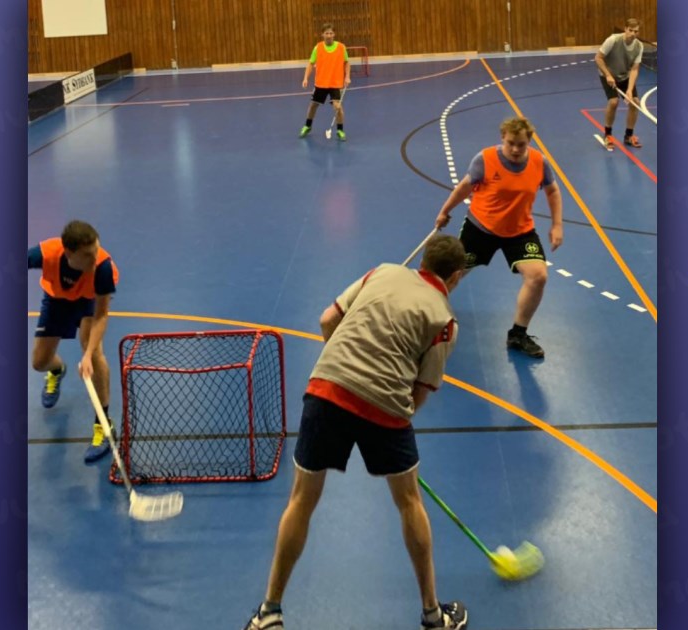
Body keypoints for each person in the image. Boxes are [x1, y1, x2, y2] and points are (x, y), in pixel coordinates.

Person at [242, 235, 470, 630]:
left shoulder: (381, 272)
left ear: (424, 261)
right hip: (386, 406)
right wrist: (388, 427)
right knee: (409, 502)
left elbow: (327, 321)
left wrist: (347, 369)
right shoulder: (445, 321)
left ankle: (269, 613)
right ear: (456, 277)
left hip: (327, 390)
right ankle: (433, 616)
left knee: (301, 500)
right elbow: (420, 391)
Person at [433, 116, 563, 360]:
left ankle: (518, 334)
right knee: (451, 275)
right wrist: (444, 211)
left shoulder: (539, 162)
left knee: (538, 276)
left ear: (529, 141)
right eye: (511, 143)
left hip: (520, 231)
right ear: (503, 138)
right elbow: (464, 187)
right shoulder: (485, 159)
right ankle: (428, 319)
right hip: (480, 228)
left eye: (521, 144)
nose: (515, 149)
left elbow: (553, 190)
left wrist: (557, 225)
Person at [28, 220, 119, 463]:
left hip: (89, 302)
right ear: (69, 253)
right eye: (87, 255)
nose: (94, 258)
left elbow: (101, 315)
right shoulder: (46, 253)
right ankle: (57, 370)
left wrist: (87, 355)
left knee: (95, 354)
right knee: (39, 362)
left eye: (96, 250)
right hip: (57, 300)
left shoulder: (102, 267)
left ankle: (103, 424)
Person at [594, 18, 646, 150]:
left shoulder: (639, 46)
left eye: (636, 31)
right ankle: (608, 135)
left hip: (624, 75)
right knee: (613, 102)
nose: (633, 34)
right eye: (631, 30)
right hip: (608, 74)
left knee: (635, 102)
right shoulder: (613, 40)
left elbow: (634, 69)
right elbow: (598, 58)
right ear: (625, 29)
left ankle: (629, 135)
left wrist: (629, 90)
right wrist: (608, 75)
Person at [299, 22, 351, 141]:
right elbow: (311, 64)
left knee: (338, 107)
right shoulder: (318, 48)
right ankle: (307, 126)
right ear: (322, 34)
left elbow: (347, 62)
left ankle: (340, 130)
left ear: (334, 34)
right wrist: (305, 78)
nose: (329, 35)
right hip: (321, 83)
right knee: (313, 105)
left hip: (335, 83)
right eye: (326, 33)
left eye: (331, 33)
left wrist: (347, 77)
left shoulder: (341, 47)